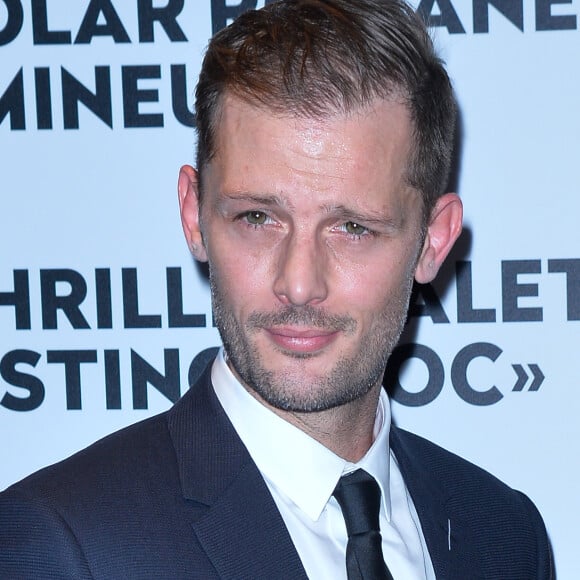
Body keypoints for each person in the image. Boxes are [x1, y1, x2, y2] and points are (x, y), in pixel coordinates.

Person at [0, 0, 552, 578]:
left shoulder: (505, 534)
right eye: (258, 218)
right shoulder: (66, 544)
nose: (298, 283)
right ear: (194, 215)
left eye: (353, 228)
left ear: (433, 241)